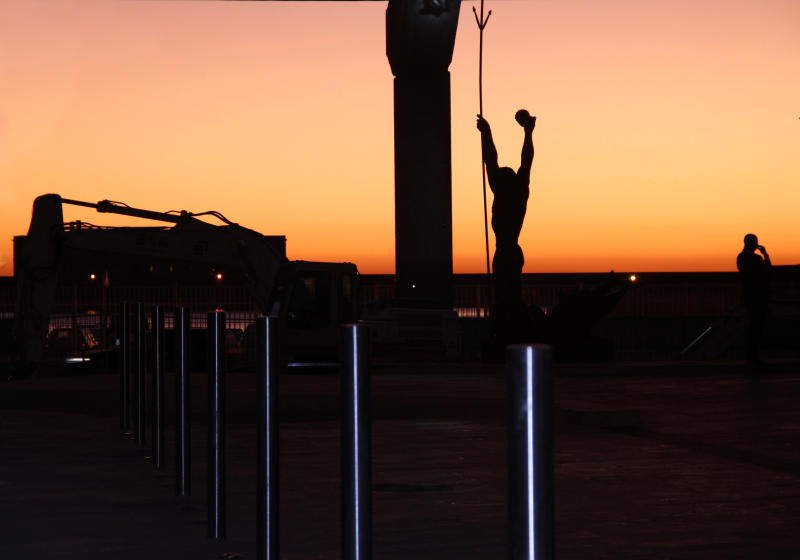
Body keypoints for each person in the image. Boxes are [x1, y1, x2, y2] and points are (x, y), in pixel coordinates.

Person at [477, 109, 535, 343]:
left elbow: (491, 160)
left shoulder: (504, 191)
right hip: (511, 251)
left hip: (505, 252)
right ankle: (513, 329)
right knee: (510, 295)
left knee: (504, 297)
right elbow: (525, 161)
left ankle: (506, 332)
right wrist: (528, 133)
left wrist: (487, 133)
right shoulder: (519, 191)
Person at [736, 233, 771, 367]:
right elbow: (768, 271)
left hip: (749, 296)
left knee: (754, 328)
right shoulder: (755, 259)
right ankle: (753, 357)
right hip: (757, 297)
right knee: (755, 329)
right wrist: (765, 255)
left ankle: (751, 357)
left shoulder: (740, 257)